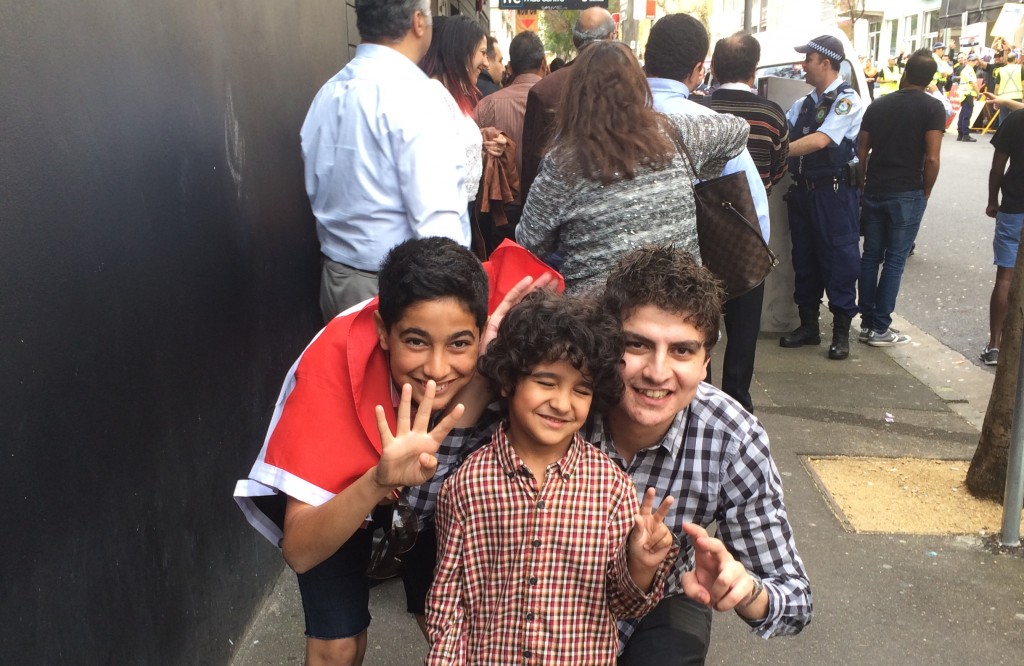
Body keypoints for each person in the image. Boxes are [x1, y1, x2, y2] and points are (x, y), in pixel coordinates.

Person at [233, 237, 556, 666]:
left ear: (482, 335)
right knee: (336, 646)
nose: (437, 369)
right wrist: (378, 480)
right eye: (416, 342)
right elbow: (300, 551)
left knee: (453, 627)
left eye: (460, 344)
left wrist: (482, 377)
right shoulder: (329, 376)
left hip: (434, 498)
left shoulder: (505, 347)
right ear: (384, 331)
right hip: (353, 489)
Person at [425, 291, 678, 664]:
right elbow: (448, 604)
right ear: (509, 381)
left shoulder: (611, 488)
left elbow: (623, 604)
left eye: (581, 389)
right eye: (546, 382)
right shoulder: (467, 484)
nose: (562, 403)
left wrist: (640, 565)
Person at [516, 40, 749, 294]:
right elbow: (738, 129)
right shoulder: (676, 132)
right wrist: (703, 171)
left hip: (597, 322)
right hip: (680, 312)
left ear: (575, 93)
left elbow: (529, 243)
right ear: (639, 87)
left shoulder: (563, 162)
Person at [301, 0, 470, 323]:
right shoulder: (416, 96)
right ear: (418, 22)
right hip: (399, 290)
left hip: (335, 278)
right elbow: (438, 222)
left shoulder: (328, 92)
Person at [644, 16, 771, 415]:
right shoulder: (713, 125)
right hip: (704, 267)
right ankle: (729, 411)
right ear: (699, 70)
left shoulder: (607, 119)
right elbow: (754, 208)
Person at [779, 34, 865, 361]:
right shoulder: (804, 104)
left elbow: (820, 141)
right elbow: (782, 129)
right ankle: (809, 327)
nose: (803, 65)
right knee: (805, 258)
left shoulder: (847, 100)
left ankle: (841, 333)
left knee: (840, 260)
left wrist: (777, 152)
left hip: (834, 193)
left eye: (809, 59)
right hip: (803, 192)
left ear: (826, 63)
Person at [856, 49, 945, 347]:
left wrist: (864, 182)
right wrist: (926, 191)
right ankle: (881, 327)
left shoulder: (879, 105)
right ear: (930, 78)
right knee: (894, 260)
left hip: (876, 188)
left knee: (871, 256)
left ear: (906, 72)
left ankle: (867, 322)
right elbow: (932, 158)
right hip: (907, 190)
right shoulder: (932, 108)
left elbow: (861, 150)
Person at [519, 7, 616, 203]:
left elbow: (532, 166)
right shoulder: (628, 85)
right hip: (618, 205)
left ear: (574, 41)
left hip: (558, 205)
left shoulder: (545, 90)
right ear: (612, 37)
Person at [419, 15, 507, 212]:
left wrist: (486, 147)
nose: (486, 62)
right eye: (483, 53)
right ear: (461, 52)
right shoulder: (432, 96)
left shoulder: (450, 95)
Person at [475, 30, 547, 252]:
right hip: (547, 209)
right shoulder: (558, 100)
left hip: (501, 213)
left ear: (511, 67)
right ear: (544, 63)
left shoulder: (487, 105)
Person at [705, 31, 790, 195]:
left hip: (704, 215)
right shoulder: (772, 115)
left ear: (714, 69)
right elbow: (779, 171)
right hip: (754, 214)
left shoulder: (697, 109)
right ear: (754, 70)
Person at [982, 101, 1024, 365]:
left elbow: (997, 167)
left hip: (1013, 207)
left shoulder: (1016, 120)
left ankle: (995, 344)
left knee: (1005, 277)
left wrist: (992, 200)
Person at [957, 53, 981, 141]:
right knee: (967, 114)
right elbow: (973, 83)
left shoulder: (964, 69)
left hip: (963, 93)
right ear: (970, 61)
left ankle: (960, 133)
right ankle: (965, 134)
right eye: (974, 61)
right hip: (968, 94)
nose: (975, 62)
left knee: (963, 113)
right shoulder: (970, 70)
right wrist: (978, 93)